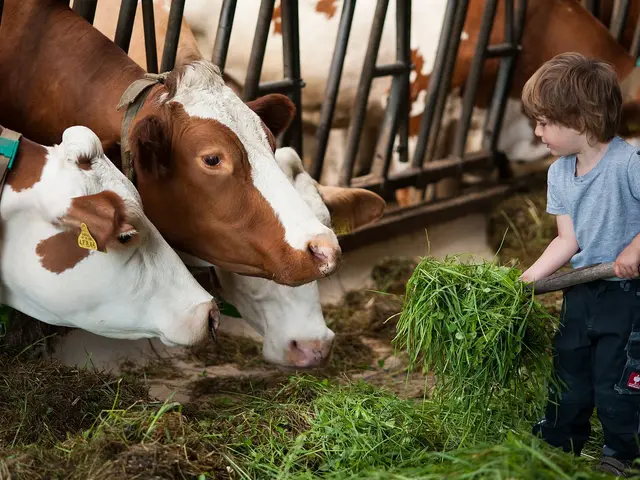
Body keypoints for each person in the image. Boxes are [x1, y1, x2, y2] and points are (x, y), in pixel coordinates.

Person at [519, 52, 640, 477]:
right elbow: (567, 240)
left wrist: (634, 250)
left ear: (582, 119)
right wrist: (528, 278)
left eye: (544, 121)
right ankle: (558, 443)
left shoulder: (629, 165)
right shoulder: (558, 174)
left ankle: (620, 452)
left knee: (616, 378)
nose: (537, 132)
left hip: (628, 295)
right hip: (582, 289)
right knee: (568, 369)